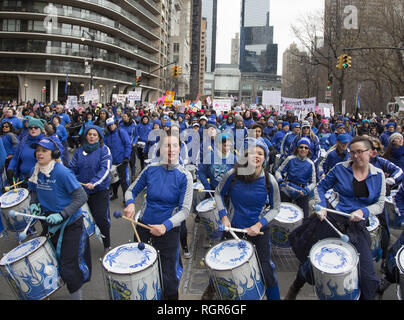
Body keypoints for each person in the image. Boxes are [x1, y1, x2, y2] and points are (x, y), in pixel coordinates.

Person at [285, 136, 385, 300]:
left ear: (371, 153)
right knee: (315, 265)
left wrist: (363, 212)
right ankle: (295, 286)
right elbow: (320, 187)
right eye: (352, 152)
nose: (355, 156)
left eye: (359, 152)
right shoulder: (340, 168)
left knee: (368, 278)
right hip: (331, 221)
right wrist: (322, 207)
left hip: (356, 228)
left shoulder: (378, 175)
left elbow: (380, 204)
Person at [124, 130, 193, 300]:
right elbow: (131, 190)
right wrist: (131, 203)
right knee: (141, 274)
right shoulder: (150, 169)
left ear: (179, 149)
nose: (171, 149)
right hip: (143, 228)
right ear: (160, 149)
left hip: (168, 232)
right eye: (166, 145)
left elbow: (184, 210)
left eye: (174, 146)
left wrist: (165, 226)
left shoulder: (185, 176)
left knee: (168, 278)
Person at [211, 137, 281, 300]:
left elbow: (276, 208)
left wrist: (259, 224)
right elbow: (218, 193)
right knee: (223, 266)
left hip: (259, 231)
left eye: (260, 153)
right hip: (233, 228)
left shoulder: (270, 181)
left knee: (266, 269)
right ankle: (213, 292)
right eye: (252, 152)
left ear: (264, 158)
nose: (256, 156)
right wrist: (223, 216)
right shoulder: (232, 175)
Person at [28, 137, 91, 300]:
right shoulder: (35, 170)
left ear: (54, 153)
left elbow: (82, 197)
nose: (39, 154)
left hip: (70, 225)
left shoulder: (62, 172)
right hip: (49, 223)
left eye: (44, 150)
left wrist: (62, 214)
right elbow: (33, 190)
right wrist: (34, 204)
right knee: (49, 262)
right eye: (38, 150)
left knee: (69, 267)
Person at [69, 125, 112, 251]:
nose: (92, 137)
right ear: (86, 136)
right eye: (89, 134)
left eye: (94, 135)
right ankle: (83, 245)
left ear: (99, 137)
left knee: (100, 217)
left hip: (99, 189)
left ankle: (107, 243)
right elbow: (72, 168)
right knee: (80, 219)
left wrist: (94, 182)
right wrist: (71, 179)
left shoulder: (104, 150)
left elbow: (105, 169)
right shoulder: (79, 151)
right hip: (82, 191)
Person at [275, 137, 317, 221]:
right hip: (287, 189)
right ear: (297, 148)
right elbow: (278, 172)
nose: (303, 149)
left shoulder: (310, 164)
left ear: (309, 150)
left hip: (301, 192)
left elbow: (313, 182)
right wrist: (280, 181)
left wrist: (306, 190)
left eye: (306, 147)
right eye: (301, 147)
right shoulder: (290, 159)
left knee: (304, 218)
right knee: (281, 213)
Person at [7, 117, 46, 186]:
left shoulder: (46, 142)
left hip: (39, 181)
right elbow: (15, 158)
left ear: (41, 129)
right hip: (23, 180)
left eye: (36, 127)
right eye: (30, 127)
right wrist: (10, 168)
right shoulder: (23, 141)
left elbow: (50, 163)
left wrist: (34, 173)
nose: (33, 129)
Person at [104, 117, 132, 202]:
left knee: (123, 181)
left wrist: (126, 157)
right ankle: (115, 194)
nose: (111, 126)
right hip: (112, 161)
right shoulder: (107, 135)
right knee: (113, 180)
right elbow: (105, 147)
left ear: (115, 124)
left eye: (112, 124)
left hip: (122, 160)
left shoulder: (121, 132)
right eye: (109, 125)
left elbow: (128, 145)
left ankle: (125, 198)